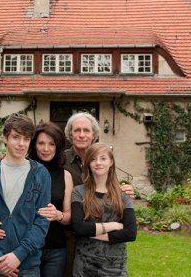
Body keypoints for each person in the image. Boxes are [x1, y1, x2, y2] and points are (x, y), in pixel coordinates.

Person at [0, 121, 74, 277]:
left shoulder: (65, 175)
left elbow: (69, 217)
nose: (46, 149)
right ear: (33, 144)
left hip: (54, 249)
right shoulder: (20, 168)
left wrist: (58, 215)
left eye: (51, 144)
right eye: (41, 143)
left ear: (58, 146)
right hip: (22, 247)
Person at [0, 113, 52, 277]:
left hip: (27, 266)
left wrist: (19, 255)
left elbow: (42, 221)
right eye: (16, 137)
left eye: (26, 139)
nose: (21, 144)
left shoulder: (41, 174)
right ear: (5, 138)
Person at [63, 112, 134, 276]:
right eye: (77, 130)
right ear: (70, 134)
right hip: (67, 235)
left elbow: (113, 190)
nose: (82, 135)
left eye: (86, 130)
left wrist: (126, 190)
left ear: (94, 134)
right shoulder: (60, 160)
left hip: (107, 251)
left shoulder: (103, 163)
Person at [71, 142, 137, 276]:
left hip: (115, 265)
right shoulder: (79, 192)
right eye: (93, 159)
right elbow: (78, 228)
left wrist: (90, 231)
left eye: (103, 158)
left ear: (111, 162)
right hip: (85, 264)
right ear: (88, 163)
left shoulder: (123, 195)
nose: (98, 163)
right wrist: (114, 225)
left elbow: (130, 233)